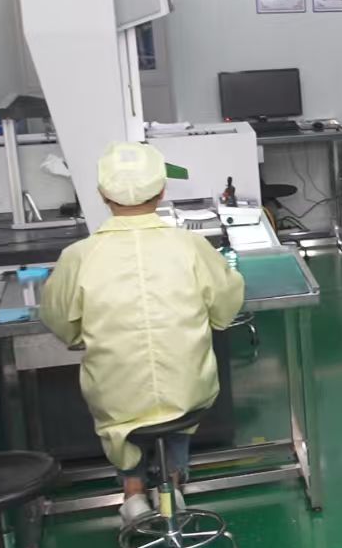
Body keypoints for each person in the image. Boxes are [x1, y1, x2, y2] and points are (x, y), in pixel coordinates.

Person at [40, 143, 246, 526]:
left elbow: (59, 318)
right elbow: (226, 303)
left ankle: (133, 494)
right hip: (188, 390)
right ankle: (173, 486)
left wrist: (79, 336)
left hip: (116, 393)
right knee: (179, 400)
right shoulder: (191, 246)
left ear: (102, 195)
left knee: (123, 410)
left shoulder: (79, 256)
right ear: (162, 191)